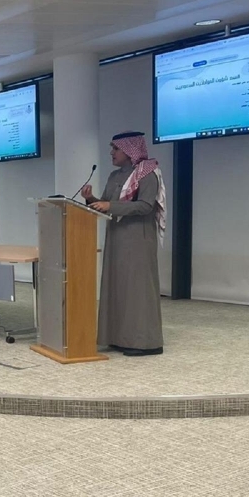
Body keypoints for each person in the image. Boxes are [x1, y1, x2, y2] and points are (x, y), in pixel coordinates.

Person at [82, 131, 166, 356]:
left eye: (115, 148)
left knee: (137, 289)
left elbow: (145, 206)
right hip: (117, 237)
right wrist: (90, 199)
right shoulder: (114, 176)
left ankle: (145, 342)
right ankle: (118, 337)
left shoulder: (147, 173)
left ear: (130, 150)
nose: (111, 153)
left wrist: (110, 206)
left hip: (137, 239)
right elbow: (106, 203)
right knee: (117, 287)